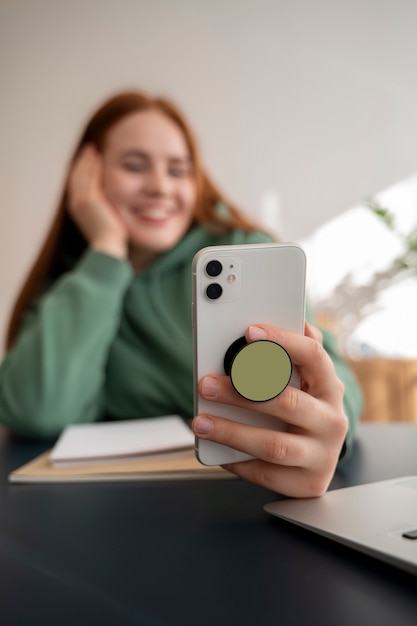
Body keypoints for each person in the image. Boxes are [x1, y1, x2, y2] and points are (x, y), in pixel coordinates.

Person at [0, 90, 362, 497]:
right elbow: (35, 412)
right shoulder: (75, 281)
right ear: (88, 176)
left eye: (178, 170)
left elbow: (333, 383)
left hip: (251, 490)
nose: (159, 186)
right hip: (123, 507)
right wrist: (105, 253)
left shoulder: (242, 251)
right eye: (135, 166)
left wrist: (322, 436)